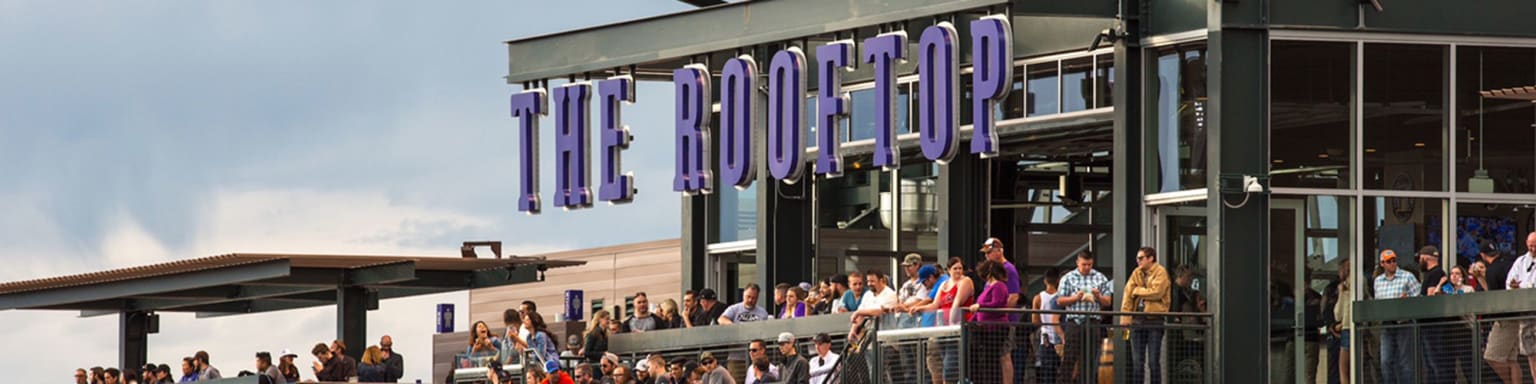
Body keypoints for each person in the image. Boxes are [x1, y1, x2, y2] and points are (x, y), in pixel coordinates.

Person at [1055, 249, 1112, 384]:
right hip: (1074, 322)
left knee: (1090, 359)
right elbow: (1060, 301)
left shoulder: (1100, 277)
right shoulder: (1068, 278)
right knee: (1070, 357)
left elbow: (1108, 302)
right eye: (1084, 264)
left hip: (1093, 322)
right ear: (1077, 263)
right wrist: (1075, 298)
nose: (1087, 267)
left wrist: (1098, 296)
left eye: (1089, 264)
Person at [1121, 246, 1171, 384]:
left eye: (1141, 258)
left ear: (1151, 258)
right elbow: (1127, 296)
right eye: (1137, 258)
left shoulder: (1161, 272)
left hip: (1155, 320)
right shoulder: (1136, 273)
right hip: (1137, 321)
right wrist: (1125, 318)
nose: (1138, 261)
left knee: (1153, 362)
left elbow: (1157, 292)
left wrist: (1137, 290)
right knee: (1137, 362)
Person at [1371, 249, 1420, 383]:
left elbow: (1420, 298)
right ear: (1382, 264)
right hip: (1387, 324)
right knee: (1385, 361)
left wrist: (1408, 299)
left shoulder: (1407, 276)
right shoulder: (1378, 281)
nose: (1392, 263)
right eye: (1388, 261)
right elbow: (1378, 303)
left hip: (1404, 323)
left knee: (1405, 362)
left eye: (1394, 260)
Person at [1480, 239, 1523, 384]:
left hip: (1504, 318)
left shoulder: (1491, 270)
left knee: (1491, 356)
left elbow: (1493, 296)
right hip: (1518, 314)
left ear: (1483, 256)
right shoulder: (1510, 264)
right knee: (1512, 360)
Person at [980, 237, 1022, 384]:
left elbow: (1013, 296)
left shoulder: (1008, 269)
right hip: (992, 322)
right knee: (997, 356)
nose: (986, 256)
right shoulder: (994, 271)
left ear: (999, 251)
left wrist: (1002, 314)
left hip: (1004, 322)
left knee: (1005, 355)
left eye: (989, 252)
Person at [968, 260, 1011, 383]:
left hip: (995, 329)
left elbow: (997, 303)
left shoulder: (999, 286)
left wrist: (980, 305)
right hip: (984, 328)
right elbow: (979, 311)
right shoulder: (989, 287)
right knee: (983, 359)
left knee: (990, 359)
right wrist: (970, 321)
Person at [1507, 232, 1536, 382]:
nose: (1532, 248)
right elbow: (1510, 283)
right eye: (1530, 245)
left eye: (1535, 245)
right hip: (1525, 313)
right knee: (1530, 352)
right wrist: (1515, 286)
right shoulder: (1521, 261)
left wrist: (1523, 286)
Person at [1033, 267, 1065, 384]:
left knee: (1047, 375)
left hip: (1046, 339)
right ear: (1058, 280)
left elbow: (1035, 321)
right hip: (1061, 339)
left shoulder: (1038, 298)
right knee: (1064, 373)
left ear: (1045, 280)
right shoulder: (1062, 298)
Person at [852, 269, 900, 334]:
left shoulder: (890, 294)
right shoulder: (867, 294)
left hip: (887, 336)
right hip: (870, 335)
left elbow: (878, 311)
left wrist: (858, 312)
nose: (869, 284)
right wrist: (853, 330)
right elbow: (861, 314)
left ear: (881, 281)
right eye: (868, 281)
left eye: (872, 281)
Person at [526, 310, 565, 376]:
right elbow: (533, 354)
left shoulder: (541, 335)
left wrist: (531, 356)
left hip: (550, 361)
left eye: (527, 320)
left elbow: (541, 354)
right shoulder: (528, 337)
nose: (524, 321)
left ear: (533, 321)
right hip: (540, 364)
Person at [897, 253, 930, 329]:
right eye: (905, 266)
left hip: (918, 321)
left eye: (909, 266)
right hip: (903, 321)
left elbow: (919, 300)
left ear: (917, 265)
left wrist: (903, 307)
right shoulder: (905, 284)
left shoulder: (924, 282)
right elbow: (900, 300)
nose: (906, 269)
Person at [583, 310, 613, 380]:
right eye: (607, 319)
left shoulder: (606, 334)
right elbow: (587, 352)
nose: (608, 321)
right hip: (595, 365)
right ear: (600, 319)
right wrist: (603, 353)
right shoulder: (592, 334)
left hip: (602, 365)